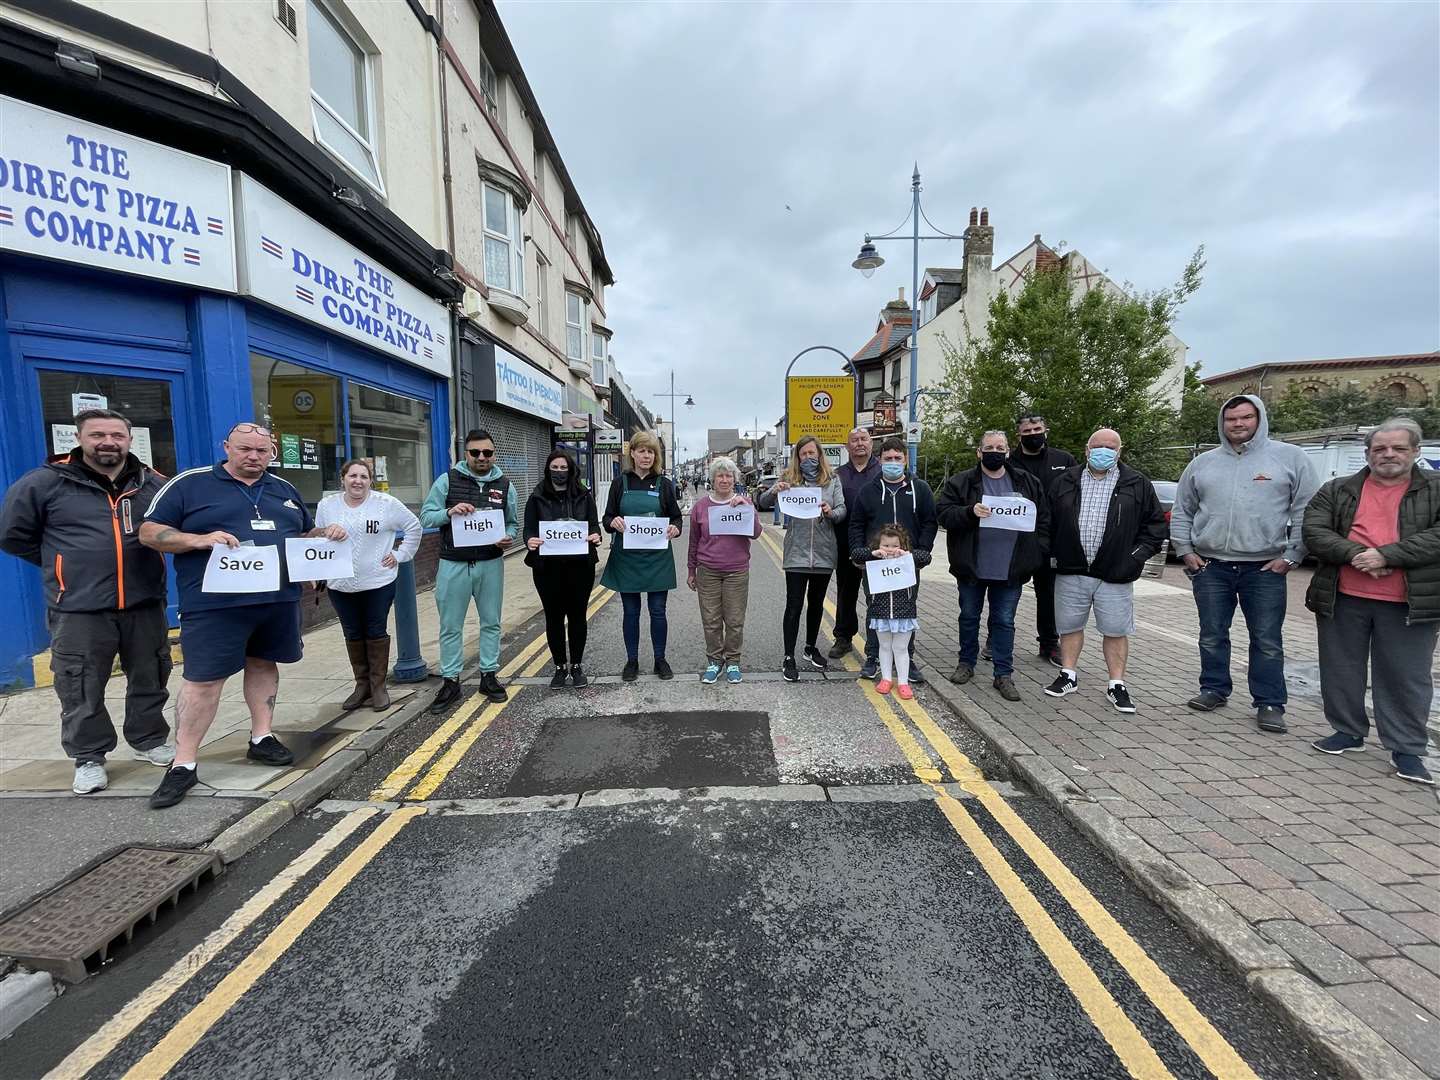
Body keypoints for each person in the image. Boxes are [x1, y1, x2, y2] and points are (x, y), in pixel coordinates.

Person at [139, 422, 348, 808]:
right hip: (214, 605)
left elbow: (300, 536)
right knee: (203, 682)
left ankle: (261, 737)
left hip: (275, 602)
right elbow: (149, 532)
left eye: (261, 451)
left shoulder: (284, 490)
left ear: (272, 452)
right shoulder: (190, 484)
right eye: (244, 449)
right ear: (227, 447)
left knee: (265, 665)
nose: (253, 457)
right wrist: (198, 539)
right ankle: (183, 763)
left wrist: (323, 534)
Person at [0, 409, 174, 795]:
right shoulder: (45, 483)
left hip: (144, 601)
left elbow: (176, 528)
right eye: (97, 434)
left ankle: (148, 740)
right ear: (79, 438)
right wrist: (64, 566)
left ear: (129, 439)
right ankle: (89, 757)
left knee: (151, 675)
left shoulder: (153, 483)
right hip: (77, 606)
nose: (108, 442)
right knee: (79, 685)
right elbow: (13, 536)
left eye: (117, 435)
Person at [1170, 395, 1319, 733]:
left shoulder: (1290, 458)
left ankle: (1269, 702)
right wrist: (1186, 550)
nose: (1238, 424)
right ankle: (1213, 689)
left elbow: (1306, 510)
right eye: (1231, 419)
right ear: (1223, 423)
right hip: (1211, 566)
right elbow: (1183, 509)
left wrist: (1292, 556)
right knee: (1211, 634)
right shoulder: (1203, 463)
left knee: (1266, 638)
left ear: (1259, 418)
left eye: (1245, 418)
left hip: (1264, 567)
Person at [1303, 418, 1439, 785]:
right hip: (1344, 594)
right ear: (1368, 454)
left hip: (1409, 600)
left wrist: (1387, 556)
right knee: (1340, 668)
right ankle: (1348, 731)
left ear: (1415, 451)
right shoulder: (1338, 489)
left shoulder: (1436, 490)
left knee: (1406, 676)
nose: (1388, 455)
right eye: (1380, 449)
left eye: (1398, 448)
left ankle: (1407, 749)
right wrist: (1356, 554)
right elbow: (1314, 531)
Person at [1042, 428, 1166, 713]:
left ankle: (1117, 683)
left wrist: (1134, 558)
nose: (1103, 451)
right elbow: (1046, 522)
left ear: (1119, 452)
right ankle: (1068, 675)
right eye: (1097, 445)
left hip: (1115, 573)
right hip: (1072, 568)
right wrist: (1050, 553)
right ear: (1087, 449)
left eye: (1110, 447)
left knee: (1116, 629)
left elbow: (1155, 528)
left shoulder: (1137, 483)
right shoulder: (1065, 481)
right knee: (1070, 626)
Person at [935, 431, 1051, 701]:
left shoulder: (1027, 482)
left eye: (1000, 447)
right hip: (972, 565)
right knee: (969, 617)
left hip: (1011, 567)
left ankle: (1003, 673)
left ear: (1008, 452)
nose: (995, 451)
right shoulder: (962, 482)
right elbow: (943, 513)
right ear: (979, 452)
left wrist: (1037, 553)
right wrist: (968, 512)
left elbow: (1043, 519)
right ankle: (966, 664)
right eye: (989, 447)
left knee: (1004, 621)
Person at [422, 429, 518, 712]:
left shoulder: (504, 483)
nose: (481, 457)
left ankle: (489, 675)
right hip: (453, 564)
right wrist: (449, 513)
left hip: (490, 564)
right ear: (466, 454)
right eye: (475, 452)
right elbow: (427, 515)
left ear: (493, 454)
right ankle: (451, 681)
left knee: (491, 622)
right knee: (451, 626)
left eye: (487, 453)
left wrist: (508, 537)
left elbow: (512, 522)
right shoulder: (447, 480)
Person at [315, 460, 422, 712]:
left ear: (370, 480)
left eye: (364, 476)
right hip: (340, 584)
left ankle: (378, 687)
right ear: (342, 478)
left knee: (375, 631)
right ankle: (361, 685)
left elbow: (413, 527)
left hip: (377, 581)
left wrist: (400, 554)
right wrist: (323, 532)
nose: (358, 481)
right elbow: (317, 536)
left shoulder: (386, 504)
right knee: (352, 633)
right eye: (352, 476)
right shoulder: (327, 505)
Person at [847, 436, 938, 683]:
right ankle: (873, 657)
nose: (893, 462)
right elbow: (856, 524)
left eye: (898, 458)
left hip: (907, 562)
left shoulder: (920, 489)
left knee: (907, 609)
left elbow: (931, 522)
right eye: (888, 459)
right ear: (880, 460)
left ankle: (906, 658)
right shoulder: (868, 491)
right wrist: (859, 552)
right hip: (877, 563)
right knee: (876, 608)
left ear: (905, 460)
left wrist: (922, 552)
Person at [757, 435, 847, 681]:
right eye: (803, 454)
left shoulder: (832, 481)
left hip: (824, 553)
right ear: (797, 458)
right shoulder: (789, 479)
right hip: (796, 553)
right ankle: (789, 656)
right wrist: (776, 489)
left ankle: (810, 647)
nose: (808, 458)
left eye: (812, 453)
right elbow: (762, 502)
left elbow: (842, 511)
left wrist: (830, 512)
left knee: (816, 604)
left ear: (819, 455)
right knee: (794, 605)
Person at [601, 430, 683, 681]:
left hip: (657, 558)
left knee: (658, 611)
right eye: (641, 451)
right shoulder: (620, 483)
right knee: (631, 611)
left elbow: (676, 517)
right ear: (632, 453)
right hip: (627, 559)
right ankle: (632, 661)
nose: (646, 456)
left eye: (651, 451)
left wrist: (675, 528)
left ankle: (660, 659)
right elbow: (606, 518)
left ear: (655, 456)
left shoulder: (664, 484)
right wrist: (612, 521)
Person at [524, 447, 602, 689]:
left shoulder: (583, 495)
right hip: (547, 568)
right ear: (548, 469)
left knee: (578, 616)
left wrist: (596, 536)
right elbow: (528, 529)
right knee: (554, 617)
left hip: (580, 567)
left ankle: (576, 666)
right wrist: (530, 540)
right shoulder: (536, 497)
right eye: (555, 468)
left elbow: (593, 526)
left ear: (571, 470)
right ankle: (559, 667)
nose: (559, 472)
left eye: (563, 468)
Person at [1007, 412, 1077, 666]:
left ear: (1045, 430)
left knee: (1048, 594)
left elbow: (1076, 495)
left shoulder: (1064, 459)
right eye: (1027, 432)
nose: (1033, 435)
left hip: (1054, 539)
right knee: (1007, 591)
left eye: (1037, 429)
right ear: (1018, 435)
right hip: (1018, 538)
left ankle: (1049, 643)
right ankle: (997, 640)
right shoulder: (1008, 462)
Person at [687, 455, 762, 684]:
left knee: (734, 620)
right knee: (710, 620)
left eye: (729, 475)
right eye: (720, 475)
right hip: (708, 570)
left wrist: (748, 507)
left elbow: (756, 533)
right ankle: (714, 661)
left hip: (736, 571)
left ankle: (733, 662)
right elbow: (693, 541)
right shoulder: (701, 507)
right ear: (712, 479)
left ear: (734, 479)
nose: (724, 479)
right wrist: (692, 571)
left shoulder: (743, 503)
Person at [829, 426, 882, 659]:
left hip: (879, 546)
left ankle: (878, 642)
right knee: (846, 593)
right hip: (846, 544)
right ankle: (843, 637)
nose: (859, 443)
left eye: (864, 439)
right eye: (854, 440)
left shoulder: (883, 470)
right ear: (847, 446)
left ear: (871, 443)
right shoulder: (837, 475)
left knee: (877, 595)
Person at [859, 523, 927, 699]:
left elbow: (926, 557)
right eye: (885, 545)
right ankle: (886, 679)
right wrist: (872, 553)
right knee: (884, 646)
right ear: (878, 545)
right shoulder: (873, 560)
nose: (890, 549)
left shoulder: (909, 560)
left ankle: (903, 682)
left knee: (901, 648)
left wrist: (907, 555)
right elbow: (856, 555)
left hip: (904, 612)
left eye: (895, 545)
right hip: (880, 612)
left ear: (902, 546)